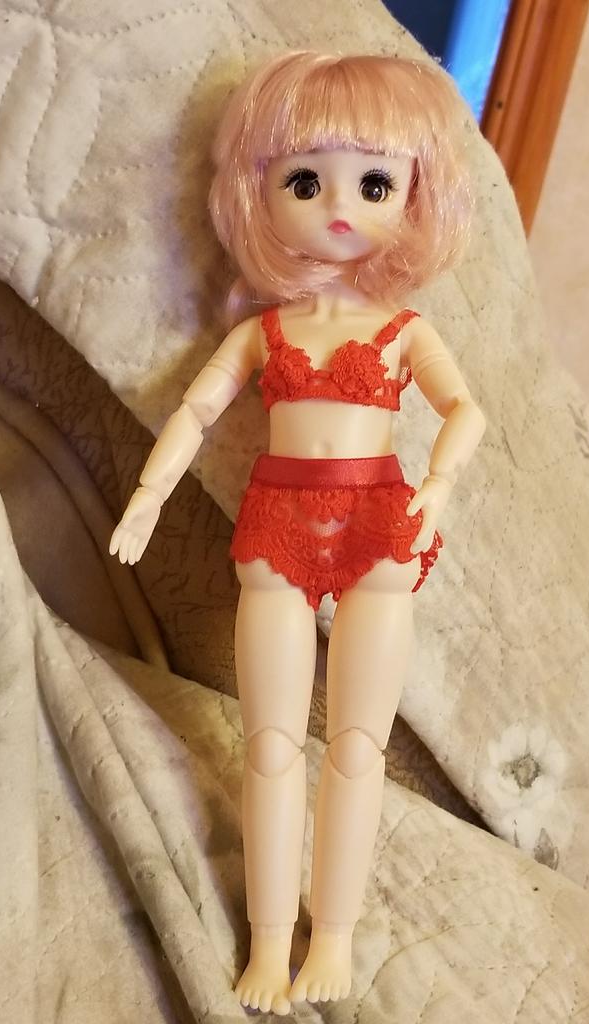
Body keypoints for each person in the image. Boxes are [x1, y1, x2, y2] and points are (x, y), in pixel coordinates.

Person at [109, 50, 486, 1015]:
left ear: (418, 195)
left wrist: (440, 486)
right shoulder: (263, 332)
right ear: (258, 191)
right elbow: (194, 412)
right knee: (270, 745)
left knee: (357, 746)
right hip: (277, 520)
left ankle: (337, 938)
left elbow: (467, 410)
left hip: (379, 523)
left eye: (376, 183)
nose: (340, 207)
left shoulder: (403, 330)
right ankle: (271, 943)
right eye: (306, 181)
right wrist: (149, 495)